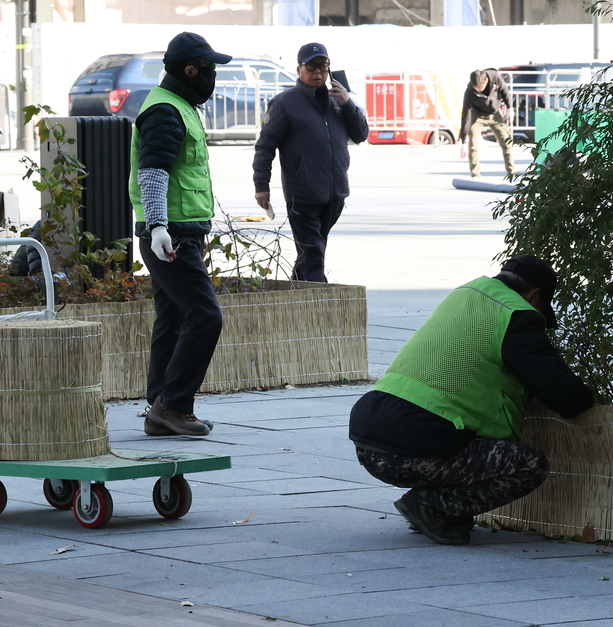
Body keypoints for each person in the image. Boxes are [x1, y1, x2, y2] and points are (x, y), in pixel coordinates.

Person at [348, 256, 594, 545]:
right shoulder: (516, 317)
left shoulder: (466, 294)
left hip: (368, 433)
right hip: (412, 447)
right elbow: (566, 397)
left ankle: (431, 505)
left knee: (459, 439)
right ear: (535, 296)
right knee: (529, 465)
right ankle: (432, 506)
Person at [128, 32, 231, 437]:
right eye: (209, 69)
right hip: (169, 235)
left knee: (172, 318)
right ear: (190, 70)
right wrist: (158, 228)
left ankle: (160, 405)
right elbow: (153, 173)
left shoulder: (179, 106)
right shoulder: (166, 111)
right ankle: (173, 405)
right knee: (205, 316)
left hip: (180, 232)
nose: (212, 77)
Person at [253, 42, 369, 282]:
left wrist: (348, 104)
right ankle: (321, 304)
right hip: (303, 193)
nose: (318, 72)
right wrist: (261, 185)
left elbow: (361, 135)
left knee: (311, 251)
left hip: (335, 192)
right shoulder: (285, 103)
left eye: (323, 67)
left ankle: (295, 298)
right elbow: (265, 147)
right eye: (311, 66)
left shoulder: (337, 100)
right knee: (313, 252)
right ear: (299, 69)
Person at [459, 68, 514, 179]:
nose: (478, 91)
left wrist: (510, 107)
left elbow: (504, 91)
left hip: (495, 114)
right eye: (476, 89)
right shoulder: (469, 91)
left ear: (486, 81)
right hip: (477, 116)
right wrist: (463, 140)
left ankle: (512, 173)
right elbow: (466, 115)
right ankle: (475, 174)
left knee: (506, 142)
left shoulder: (495, 77)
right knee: (473, 143)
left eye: (480, 88)